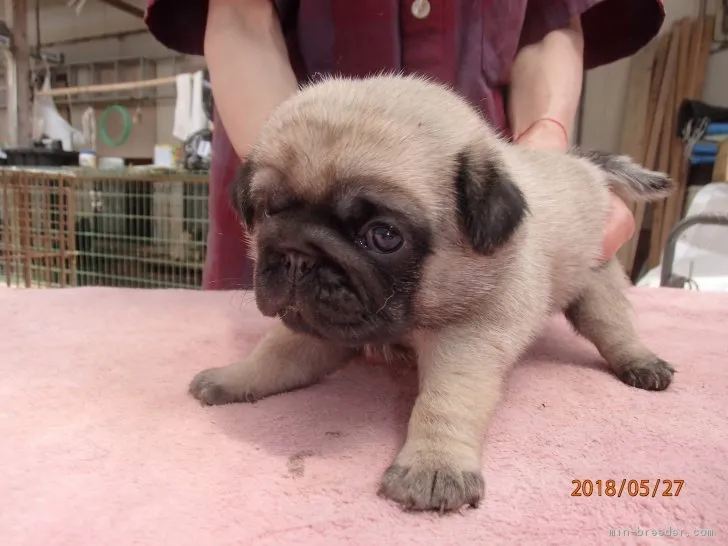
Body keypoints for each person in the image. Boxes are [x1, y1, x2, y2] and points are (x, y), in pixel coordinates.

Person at [145, 0, 665, 290]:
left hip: (475, 218)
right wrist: (285, 190)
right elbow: (239, 17)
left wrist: (545, 164)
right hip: (271, 129)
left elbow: (551, 21)